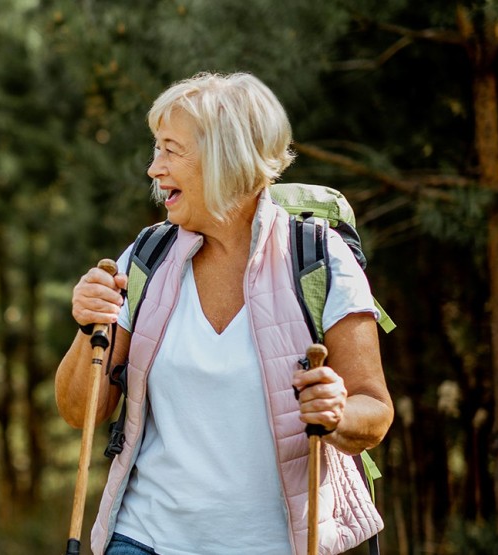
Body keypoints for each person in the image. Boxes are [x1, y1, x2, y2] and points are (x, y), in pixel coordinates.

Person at [56, 73, 392, 555]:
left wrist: (336, 413)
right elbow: (77, 411)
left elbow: (374, 411)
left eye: (171, 150)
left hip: (276, 545)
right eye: (156, 149)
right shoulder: (145, 257)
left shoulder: (318, 259)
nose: (154, 168)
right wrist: (89, 326)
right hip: (144, 538)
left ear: (225, 159)